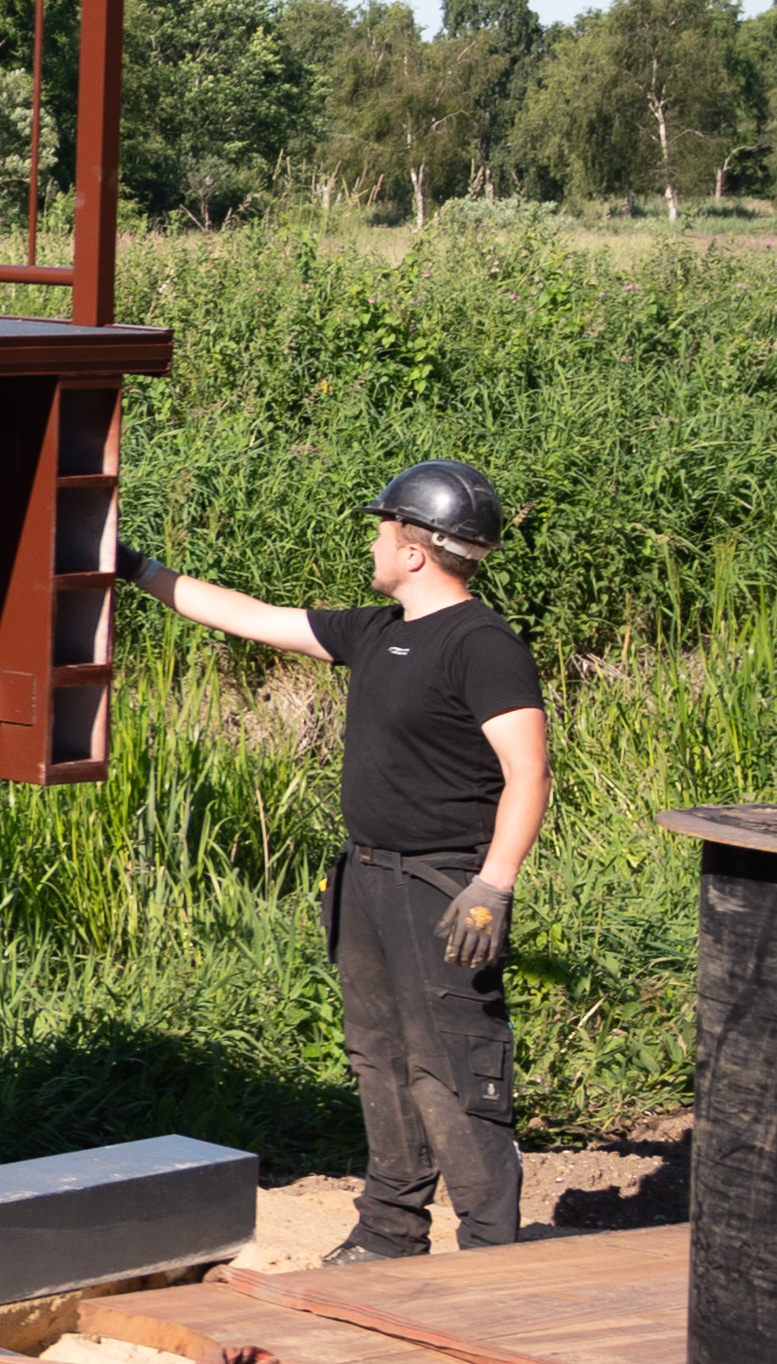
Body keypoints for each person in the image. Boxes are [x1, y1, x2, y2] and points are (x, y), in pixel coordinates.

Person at [122, 462, 548, 1259]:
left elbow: (529, 770)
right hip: (365, 878)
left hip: (443, 887)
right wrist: (137, 569)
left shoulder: (481, 645)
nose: (374, 541)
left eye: (383, 528)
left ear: (416, 549)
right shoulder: (378, 632)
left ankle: (494, 1255)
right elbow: (250, 618)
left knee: (453, 1069)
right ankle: (390, 1234)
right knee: (379, 1058)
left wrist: (495, 883)